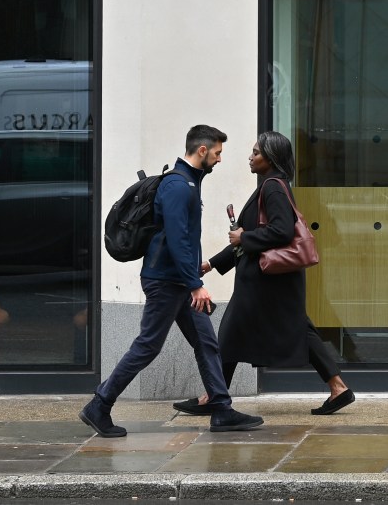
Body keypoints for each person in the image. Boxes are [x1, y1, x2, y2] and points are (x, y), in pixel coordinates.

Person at [80, 125, 263, 437]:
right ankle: (100, 403)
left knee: (206, 342)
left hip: (178, 281)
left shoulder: (190, 182)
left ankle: (221, 409)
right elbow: (178, 240)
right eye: (217, 153)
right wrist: (195, 284)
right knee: (148, 345)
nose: (220, 159)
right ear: (202, 150)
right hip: (166, 281)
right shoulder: (179, 186)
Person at [173, 131, 353, 418]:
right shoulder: (274, 185)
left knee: (230, 333)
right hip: (274, 281)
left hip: (266, 281)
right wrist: (211, 263)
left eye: (256, 152)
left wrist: (245, 237)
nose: (250, 157)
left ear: (270, 158)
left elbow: (280, 231)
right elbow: (254, 237)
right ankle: (338, 387)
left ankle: (214, 396)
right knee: (297, 330)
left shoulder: (272, 187)